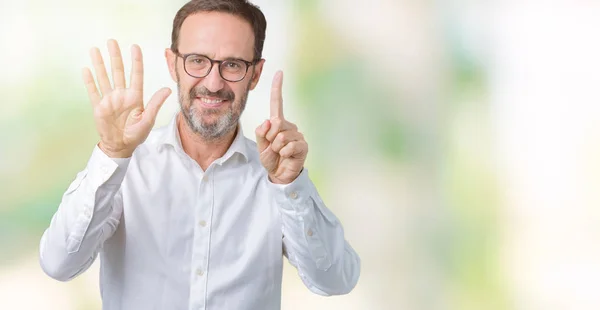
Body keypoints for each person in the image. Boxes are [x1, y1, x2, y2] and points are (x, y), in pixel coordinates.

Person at [39, 0, 360, 309]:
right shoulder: (126, 167)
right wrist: (112, 153)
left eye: (233, 64)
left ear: (255, 74)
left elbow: (335, 279)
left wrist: (291, 186)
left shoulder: (277, 177)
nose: (213, 82)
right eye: (197, 60)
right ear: (172, 63)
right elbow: (58, 263)